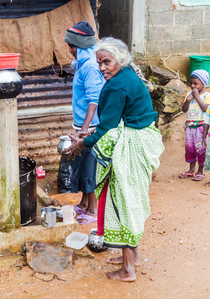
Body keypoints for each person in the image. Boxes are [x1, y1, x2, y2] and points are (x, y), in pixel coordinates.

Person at [64, 37, 164, 281]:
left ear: (119, 60)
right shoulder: (127, 75)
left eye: (106, 62)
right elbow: (118, 117)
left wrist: (82, 142)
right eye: (99, 63)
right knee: (129, 199)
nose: (102, 68)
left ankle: (128, 269)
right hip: (141, 137)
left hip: (132, 146)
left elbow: (107, 125)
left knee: (122, 202)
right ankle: (133, 256)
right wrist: (90, 134)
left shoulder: (118, 86)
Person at [64, 21, 105, 217]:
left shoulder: (89, 66)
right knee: (82, 165)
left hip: (91, 126)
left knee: (89, 167)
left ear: (79, 45)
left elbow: (94, 100)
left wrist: (83, 131)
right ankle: (84, 203)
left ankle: (93, 209)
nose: (70, 50)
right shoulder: (84, 63)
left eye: (71, 46)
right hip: (84, 124)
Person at [178, 69, 210, 181]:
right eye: (191, 83)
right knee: (190, 148)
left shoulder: (207, 95)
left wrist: (197, 97)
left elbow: (206, 109)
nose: (192, 86)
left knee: (201, 148)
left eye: (196, 84)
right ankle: (191, 169)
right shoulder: (189, 94)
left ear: (204, 83)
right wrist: (188, 100)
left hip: (201, 127)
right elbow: (184, 109)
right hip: (190, 126)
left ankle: (200, 171)